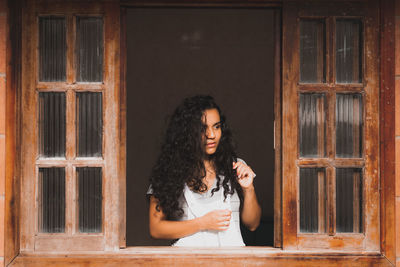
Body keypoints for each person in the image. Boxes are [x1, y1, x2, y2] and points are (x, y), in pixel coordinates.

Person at [148, 95, 261, 246]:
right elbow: (156, 228)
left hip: (232, 261)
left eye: (216, 126)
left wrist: (248, 188)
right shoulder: (169, 171)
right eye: (202, 128)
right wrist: (202, 223)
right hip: (187, 261)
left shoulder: (235, 167)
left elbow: (252, 224)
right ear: (186, 132)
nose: (211, 135)